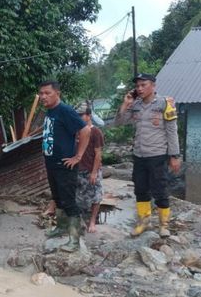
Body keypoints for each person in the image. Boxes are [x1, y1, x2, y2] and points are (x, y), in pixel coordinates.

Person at [114, 73, 181, 238]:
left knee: (160, 189)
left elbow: (172, 132)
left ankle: (164, 225)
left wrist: (174, 156)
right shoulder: (135, 105)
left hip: (157, 155)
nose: (140, 88)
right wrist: (125, 104)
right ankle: (144, 221)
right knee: (140, 189)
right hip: (139, 155)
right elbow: (119, 122)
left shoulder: (164, 104)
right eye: (137, 86)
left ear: (153, 86)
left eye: (143, 85)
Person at [40, 80, 92, 252]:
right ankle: (61, 227)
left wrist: (78, 156)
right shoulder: (50, 112)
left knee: (69, 202)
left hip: (65, 166)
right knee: (57, 198)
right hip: (51, 163)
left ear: (57, 93)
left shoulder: (65, 111)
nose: (43, 96)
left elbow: (85, 131)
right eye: (41, 93)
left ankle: (74, 240)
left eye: (47, 93)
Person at [74, 100, 105, 233]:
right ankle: (80, 220)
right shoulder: (76, 131)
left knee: (96, 196)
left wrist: (94, 172)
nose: (78, 118)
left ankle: (92, 222)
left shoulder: (96, 132)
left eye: (81, 115)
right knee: (78, 196)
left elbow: (98, 154)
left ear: (88, 116)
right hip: (78, 169)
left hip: (92, 169)